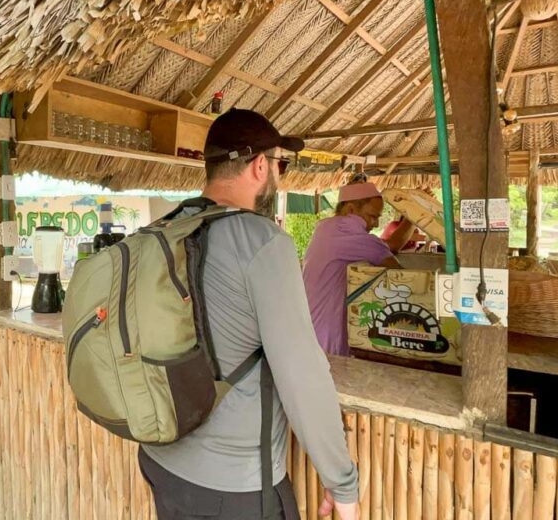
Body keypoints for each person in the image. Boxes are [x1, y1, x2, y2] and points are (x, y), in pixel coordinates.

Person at [139, 109, 359, 520]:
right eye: (281, 164)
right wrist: (342, 482)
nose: (280, 174)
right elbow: (302, 376)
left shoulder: (166, 227)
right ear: (261, 165)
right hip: (232, 484)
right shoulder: (262, 242)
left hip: (161, 459)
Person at [302, 180, 403, 357]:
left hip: (310, 327)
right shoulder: (346, 231)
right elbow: (400, 272)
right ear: (350, 210)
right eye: (373, 216)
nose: (376, 224)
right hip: (325, 333)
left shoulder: (326, 228)